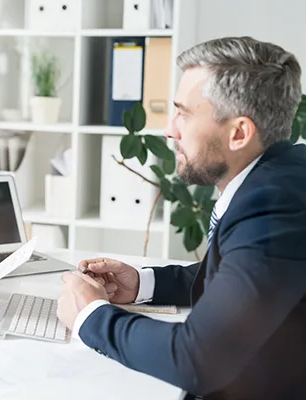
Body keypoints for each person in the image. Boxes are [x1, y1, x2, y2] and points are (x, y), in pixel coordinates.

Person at [57, 36, 306, 400]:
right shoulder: (283, 172)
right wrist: (143, 284)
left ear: (239, 133)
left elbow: (198, 360)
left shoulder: (272, 207)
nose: (170, 130)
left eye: (183, 113)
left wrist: (89, 315)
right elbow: (237, 273)